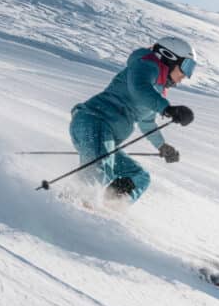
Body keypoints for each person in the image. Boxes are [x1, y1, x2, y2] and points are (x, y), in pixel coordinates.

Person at [69, 36, 197, 204]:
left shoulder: (156, 91)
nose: (185, 76)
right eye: (186, 66)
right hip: (94, 120)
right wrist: (167, 108)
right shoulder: (146, 64)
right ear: (169, 56)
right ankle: (69, 206)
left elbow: (147, 122)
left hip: (104, 134)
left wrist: (162, 146)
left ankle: (109, 207)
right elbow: (139, 88)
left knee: (138, 176)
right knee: (100, 170)